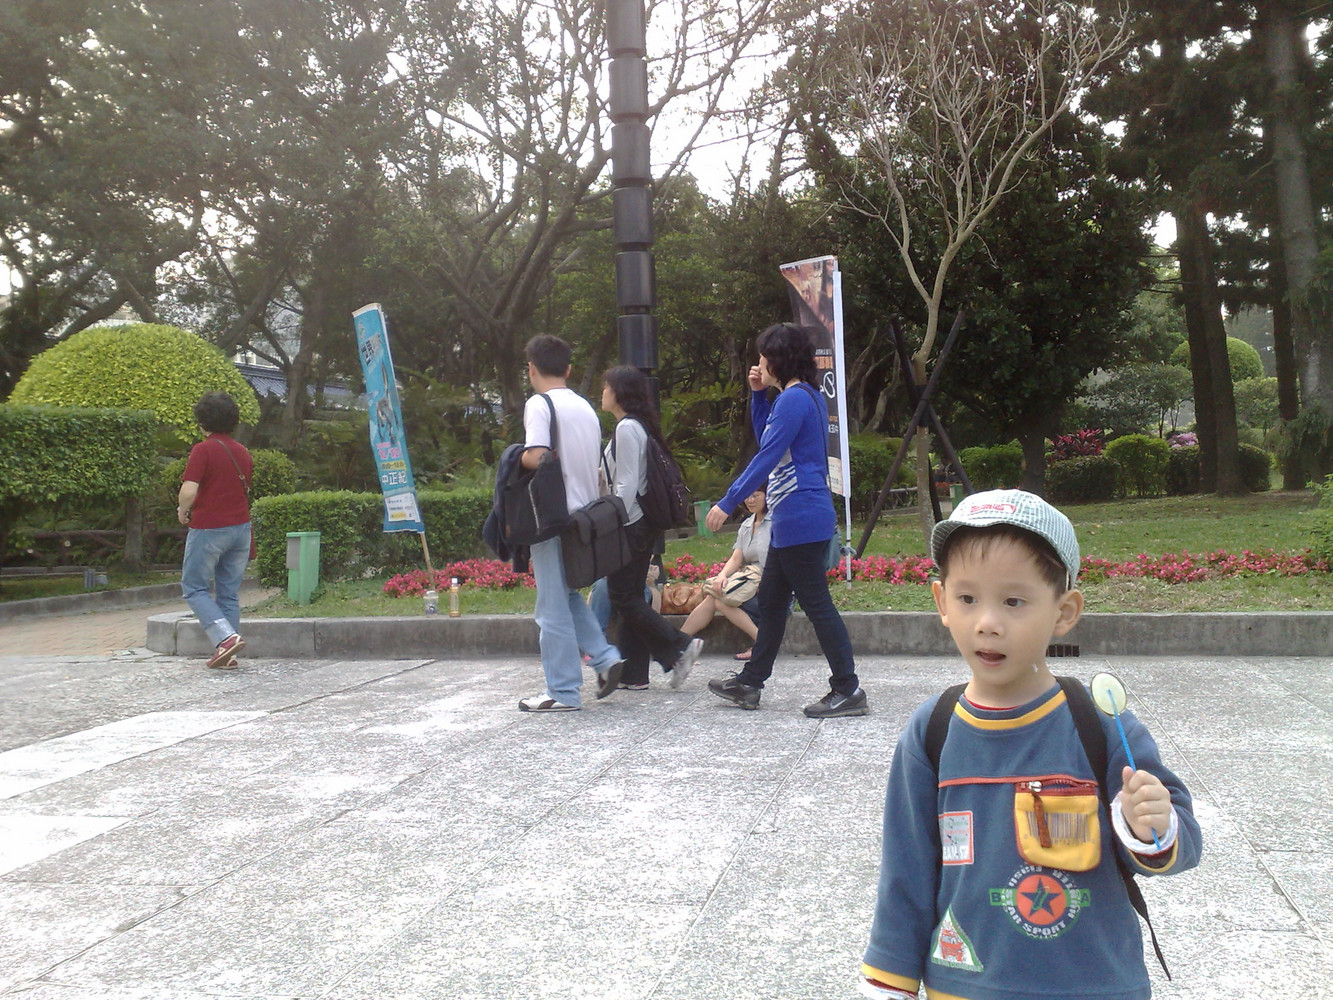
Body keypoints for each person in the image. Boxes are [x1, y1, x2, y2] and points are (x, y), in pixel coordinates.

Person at [859, 489, 1203, 1000]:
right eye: (967, 599)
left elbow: (1181, 842)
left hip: (1095, 987)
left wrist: (1150, 825)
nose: (987, 622)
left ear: (1064, 612)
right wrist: (891, 980)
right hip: (964, 985)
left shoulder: (1101, 726)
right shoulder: (933, 731)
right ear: (941, 602)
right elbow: (905, 868)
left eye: (1013, 602)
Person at [703, 323, 867, 718]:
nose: (759, 364)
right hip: (794, 518)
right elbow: (770, 438)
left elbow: (767, 454)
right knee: (774, 605)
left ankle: (848, 689)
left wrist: (729, 501)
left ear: (778, 360)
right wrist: (758, 394)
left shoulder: (794, 399)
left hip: (800, 516)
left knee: (817, 607)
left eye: (763, 357)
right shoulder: (802, 395)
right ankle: (750, 683)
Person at [518, 335, 625, 712]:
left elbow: (537, 456)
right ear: (567, 369)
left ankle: (562, 691)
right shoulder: (584, 407)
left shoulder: (539, 404)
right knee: (564, 595)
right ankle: (605, 658)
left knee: (550, 608)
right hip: (583, 516)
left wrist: (515, 457)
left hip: (551, 518)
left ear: (531, 369)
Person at [600, 365, 704, 690]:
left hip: (631, 523)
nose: (602, 393)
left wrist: (613, 520)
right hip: (639, 523)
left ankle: (680, 646)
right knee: (630, 595)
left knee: (622, 595)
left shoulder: (627, 427)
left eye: (606, 387)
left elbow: (627, 484)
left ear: (619, 392)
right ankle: (634, 675)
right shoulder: (633, 426)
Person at [177, 391, 254, 670]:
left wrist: (182, 510)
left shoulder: (203, 450)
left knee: (194, 587)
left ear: (202, 421)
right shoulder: (242, 451)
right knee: (228, 593)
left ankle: (225, 638)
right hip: (241, 529)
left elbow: (190, 489)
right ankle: (227, 654)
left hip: (210, 528)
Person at [680, 487, 769, 661]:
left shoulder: (777, 523)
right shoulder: (747, 525)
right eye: (747, 496)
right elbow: (736, 559)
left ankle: (762, 644)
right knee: (714, 595)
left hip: (773, 591)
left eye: (756, 495)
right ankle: (678, 642)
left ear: (767, 495)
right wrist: (722, 576)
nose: (750, 500)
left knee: (720, 602)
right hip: (750, 585)